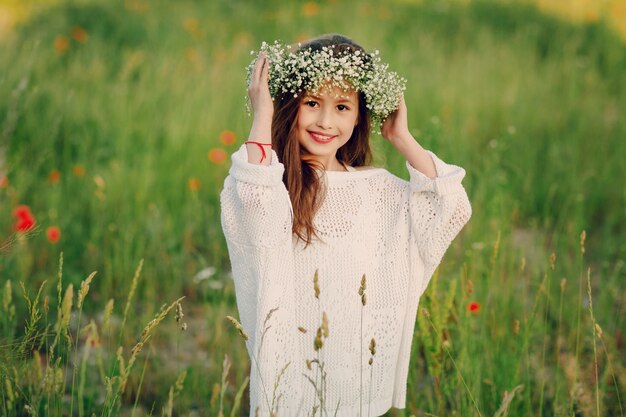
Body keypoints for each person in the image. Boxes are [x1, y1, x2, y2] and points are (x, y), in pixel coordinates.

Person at [220, 34, 471, 417]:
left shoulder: (378, 189)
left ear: (359, 116)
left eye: (341, 107)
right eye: (311, 103)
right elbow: (253, 199)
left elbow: (450, 207)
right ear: (291, 105)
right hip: (289, 384)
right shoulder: (273, 183)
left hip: (356, 380)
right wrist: (263, 117)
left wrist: (402, 138)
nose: (325, 121)